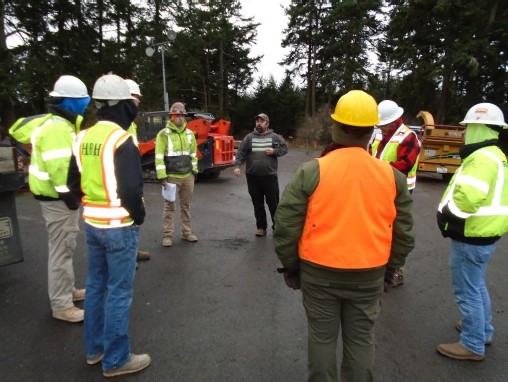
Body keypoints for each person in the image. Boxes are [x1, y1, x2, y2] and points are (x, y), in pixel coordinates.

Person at [274, 90, 415, 382]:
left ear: (336, 128)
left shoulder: (312, 171)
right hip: (369, 275)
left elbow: (286, 224)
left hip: (319, 273)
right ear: (370, 131)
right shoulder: (392, 177)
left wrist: (290, 265)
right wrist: (390, 270)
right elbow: (403, 233)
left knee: (322, 340)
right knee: (361, 340)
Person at [72, 74, 150, 377]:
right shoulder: (121, 140)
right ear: (120, 105)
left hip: (92, 224)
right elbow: (131, 190)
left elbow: (71, 180)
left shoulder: (83, 137)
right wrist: (139, 214)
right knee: (119, 292)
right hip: (120, 226)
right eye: (131, 102)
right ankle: (117, 359)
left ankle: (94, 350)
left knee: (95, 288)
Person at [9, 75, 89, 323]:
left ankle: (68, 290)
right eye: (82, 100)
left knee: (65, 246)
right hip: (58, 199)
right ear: (70, 102)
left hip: (56, 198)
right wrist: (70, 197)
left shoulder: (59, 125)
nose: (86, 104)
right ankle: (61, 305)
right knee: (60, 249)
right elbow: (60, 169)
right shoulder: (57, 128)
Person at [436, 102, 508, 362]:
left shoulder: (480, 158)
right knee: (476, 286)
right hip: (485, 235)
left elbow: (467, 199)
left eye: (467, 128)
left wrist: (446, 215)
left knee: (467, 290)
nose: (464, 132)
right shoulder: (496, 154)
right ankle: (483, 330)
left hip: (472, 236)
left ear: (477, 127)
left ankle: (472, 343)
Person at [370, 99, 421, 287]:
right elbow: (370, 155)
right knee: (378, 225)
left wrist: (375, 171)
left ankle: (397, 270)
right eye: (380, 125)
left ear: (395, 120)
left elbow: (404, 166)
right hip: (377, 187)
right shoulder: (378, 135)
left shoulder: (409, 137)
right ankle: (379, 263)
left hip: (400, 190)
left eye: (384, 125)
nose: (381, 128)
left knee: (397, 230)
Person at [234, 113, 288, 237]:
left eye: (261, 121)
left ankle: (277, 227)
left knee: (273, 204)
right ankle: (261, 227)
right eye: (257, 121)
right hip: (253, 177)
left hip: (270, 177)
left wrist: (274, 151)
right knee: (258, 204)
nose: (259, 123)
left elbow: (285, 149)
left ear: (267, 124)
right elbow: (241, 153)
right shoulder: (249, 138)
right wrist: (237, 166)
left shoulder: (275, 137)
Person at [155, 101, 199, 247]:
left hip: (187, 176)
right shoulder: (163, 134)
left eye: (182, 115)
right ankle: (167, 235)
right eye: (177, 115)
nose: (180, 118)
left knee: (186, 206)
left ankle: (187, 233)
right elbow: (159, 156)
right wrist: (162, 176)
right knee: (169, 207)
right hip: (171, 177)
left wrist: (194, 171)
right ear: (172, 116)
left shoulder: (189, 134)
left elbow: (194, 154)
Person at [125, 78, 150, 261]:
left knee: (132, 221)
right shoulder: (121, 126)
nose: (138, 101)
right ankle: (128, 257)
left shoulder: (130, 126)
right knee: (127, 218)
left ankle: (132, 251)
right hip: (125, 185)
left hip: (133, 179)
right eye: (135, 97)